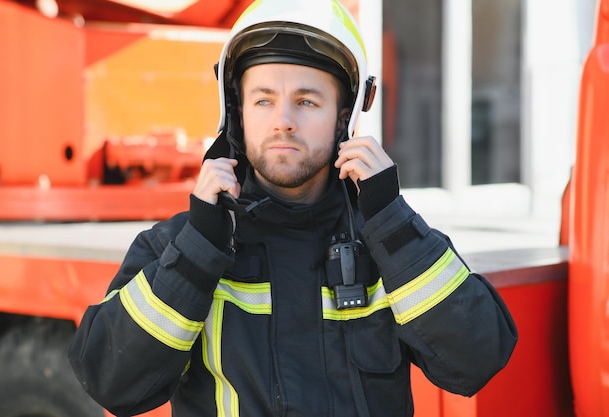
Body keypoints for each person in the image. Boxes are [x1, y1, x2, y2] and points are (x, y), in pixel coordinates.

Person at [68, 1, 518, 416]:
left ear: (344, 118)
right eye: (263, 100)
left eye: (306, 101)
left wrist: (391, 222)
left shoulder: (390, 242)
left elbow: (475, 360)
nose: (284, 119)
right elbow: (112, 381)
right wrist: (198, 251)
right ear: (237, 114)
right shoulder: (177, 248)